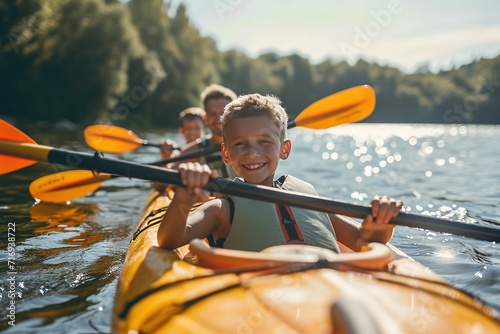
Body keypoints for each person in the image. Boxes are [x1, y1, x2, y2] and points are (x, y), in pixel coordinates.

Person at [157, 93, 403, 253]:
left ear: (284, 149)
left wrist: (382, 221)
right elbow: (168, 241)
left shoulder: (309, 198)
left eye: (265, 142)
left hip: (328, 284)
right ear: (226, 154)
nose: (253, 153)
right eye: (240, 144)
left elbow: (363, 240)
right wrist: (183, 197)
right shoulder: (219, 209)